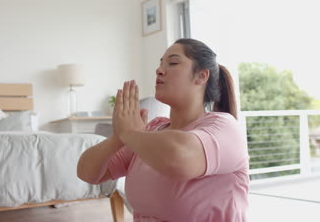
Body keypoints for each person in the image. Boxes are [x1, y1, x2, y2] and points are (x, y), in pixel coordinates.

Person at [77, 38, 249, 222]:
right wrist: (118, 138)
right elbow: (87, 173)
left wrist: (130, 134)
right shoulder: (151, 131)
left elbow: (178, 158)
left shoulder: (225, 128)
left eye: (173, 63)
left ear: (201, 76)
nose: (159, 70)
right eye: (160, 63)